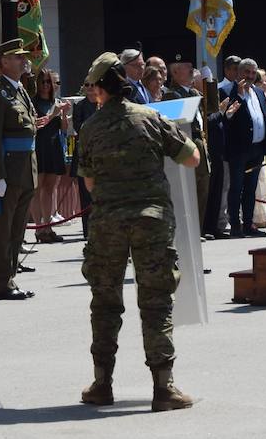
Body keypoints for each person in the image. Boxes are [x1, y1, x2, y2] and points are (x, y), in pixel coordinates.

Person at [76, 51, 200, 413]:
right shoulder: (151, 118)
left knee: (105, 302)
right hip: (152, 219)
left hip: (107, 224)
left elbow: (88, 182)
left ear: (102, 89)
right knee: (157, 302)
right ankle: (164, 388)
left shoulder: (90, 127)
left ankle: (102, 383)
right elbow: (191, 158)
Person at [0, 39, 38, 300]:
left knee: (17, 229)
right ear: (3, 62)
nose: (24, 60)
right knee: (3, 229)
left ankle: (10, 279)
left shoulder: (19, 90)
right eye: (17, 57)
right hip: (8, 170)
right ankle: (2, 284)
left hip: (25, 167)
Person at [224, 57, 266, 237]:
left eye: (253, 73)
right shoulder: (228, 91)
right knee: (236, 187)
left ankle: (248, 224)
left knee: (251, 189)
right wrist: (239, 94)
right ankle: (235, 225)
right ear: (239, 73)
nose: (251, 76)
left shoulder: (259, 92)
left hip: (257, 148)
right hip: (238, 150)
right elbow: (225, 120)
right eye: (247, 72)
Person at [165, 56, 212, 235]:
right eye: (187, 67)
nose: (192, 69)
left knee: (202, 190)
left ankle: (197, 231)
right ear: (176, 72)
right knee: (189, 193)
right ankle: (188, 233)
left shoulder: (193, 93)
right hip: (186, 147)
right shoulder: (172, 94)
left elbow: (208, 112)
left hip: (200, 145)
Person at [32, 68, 73, 244]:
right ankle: (39, 228)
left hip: (53, 145)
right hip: (38, 146)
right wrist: (53, 114)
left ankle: (48, 226)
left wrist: (63, 115)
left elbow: (63, 129)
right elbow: (36, 124)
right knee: (37, 188)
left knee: (49, 188)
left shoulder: (56, 102)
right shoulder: (32, 102)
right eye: (43, 82)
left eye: (49, 82)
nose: (46, 86)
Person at [68, 81, 101, 239]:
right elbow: (78, 127)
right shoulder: (80, 106)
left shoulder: (103, 103)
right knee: (85, 195)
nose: (90, 88)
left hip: (101, 154)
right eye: (87, 85)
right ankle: (88, 231)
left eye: (92, 84)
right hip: (84, 154)